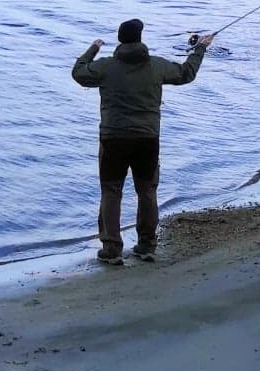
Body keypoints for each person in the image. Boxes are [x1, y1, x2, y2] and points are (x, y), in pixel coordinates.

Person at [71, 19, 214, 264]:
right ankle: (147, 245)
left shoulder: (106, 67)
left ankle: (112, 249)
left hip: (113, 138)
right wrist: (200, 48)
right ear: (140, 39)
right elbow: (186, 73)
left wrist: (93, 49)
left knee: (111, 192)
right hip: (147, 138)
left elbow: (79, 73)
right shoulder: (155, 65)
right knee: (147, 191)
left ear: (119, 40)